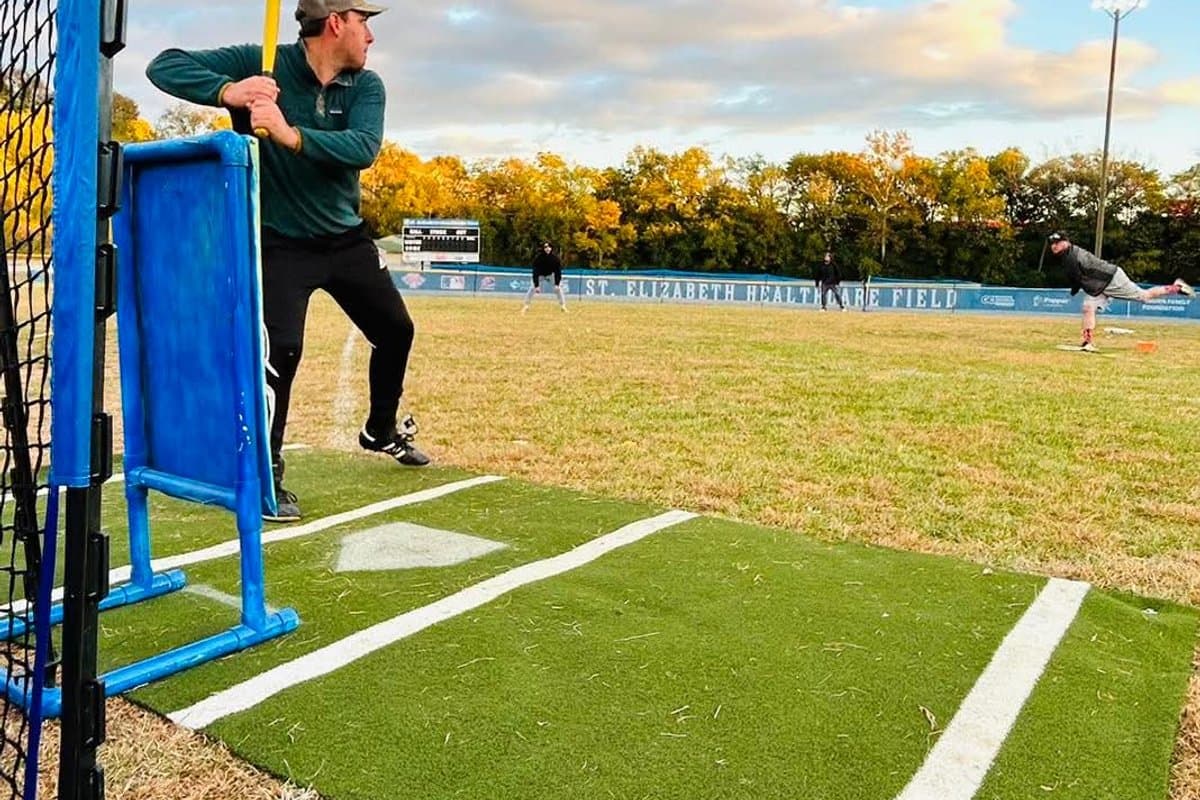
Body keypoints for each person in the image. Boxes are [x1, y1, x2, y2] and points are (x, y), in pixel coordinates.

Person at [146, 0, 429, 524]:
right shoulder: (261, 61)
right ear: (337, 22)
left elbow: (362, 147)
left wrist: (290, 134)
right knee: (282, 353)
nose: (371, 37)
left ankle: (380, 430)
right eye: (365, 22)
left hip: (345, 240)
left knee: (396, 330)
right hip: (279, 243)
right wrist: (231, 92)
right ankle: (266, 472)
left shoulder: (367, 87)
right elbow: (163, 64)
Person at [1048, 231, 1193, 352]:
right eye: (1052, 243)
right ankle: (1087, 343)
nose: (1054, 246)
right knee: (1088, 307)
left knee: (1144, 296)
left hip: (1111, 279)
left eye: (1057, 242)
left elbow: (1078, 277)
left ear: (1066, 242)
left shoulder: (1072, 257)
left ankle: (1176, 288)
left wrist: (1075, 288)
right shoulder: (1067, 255)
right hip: (1098, 285)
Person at [522, 242, 567, 313]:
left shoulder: (555, 259)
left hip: (550, 275)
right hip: (540, 275)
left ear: (551, 248)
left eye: (549, 247)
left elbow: (558, 272)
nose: (547, 249)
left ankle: (563, 306)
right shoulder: (538, 258)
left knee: (559, 289)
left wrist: (557, 284)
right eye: (545, 247)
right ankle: (526, 306)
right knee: (532, 288)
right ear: (543, 249)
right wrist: (537, 285)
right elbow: (535, 272)